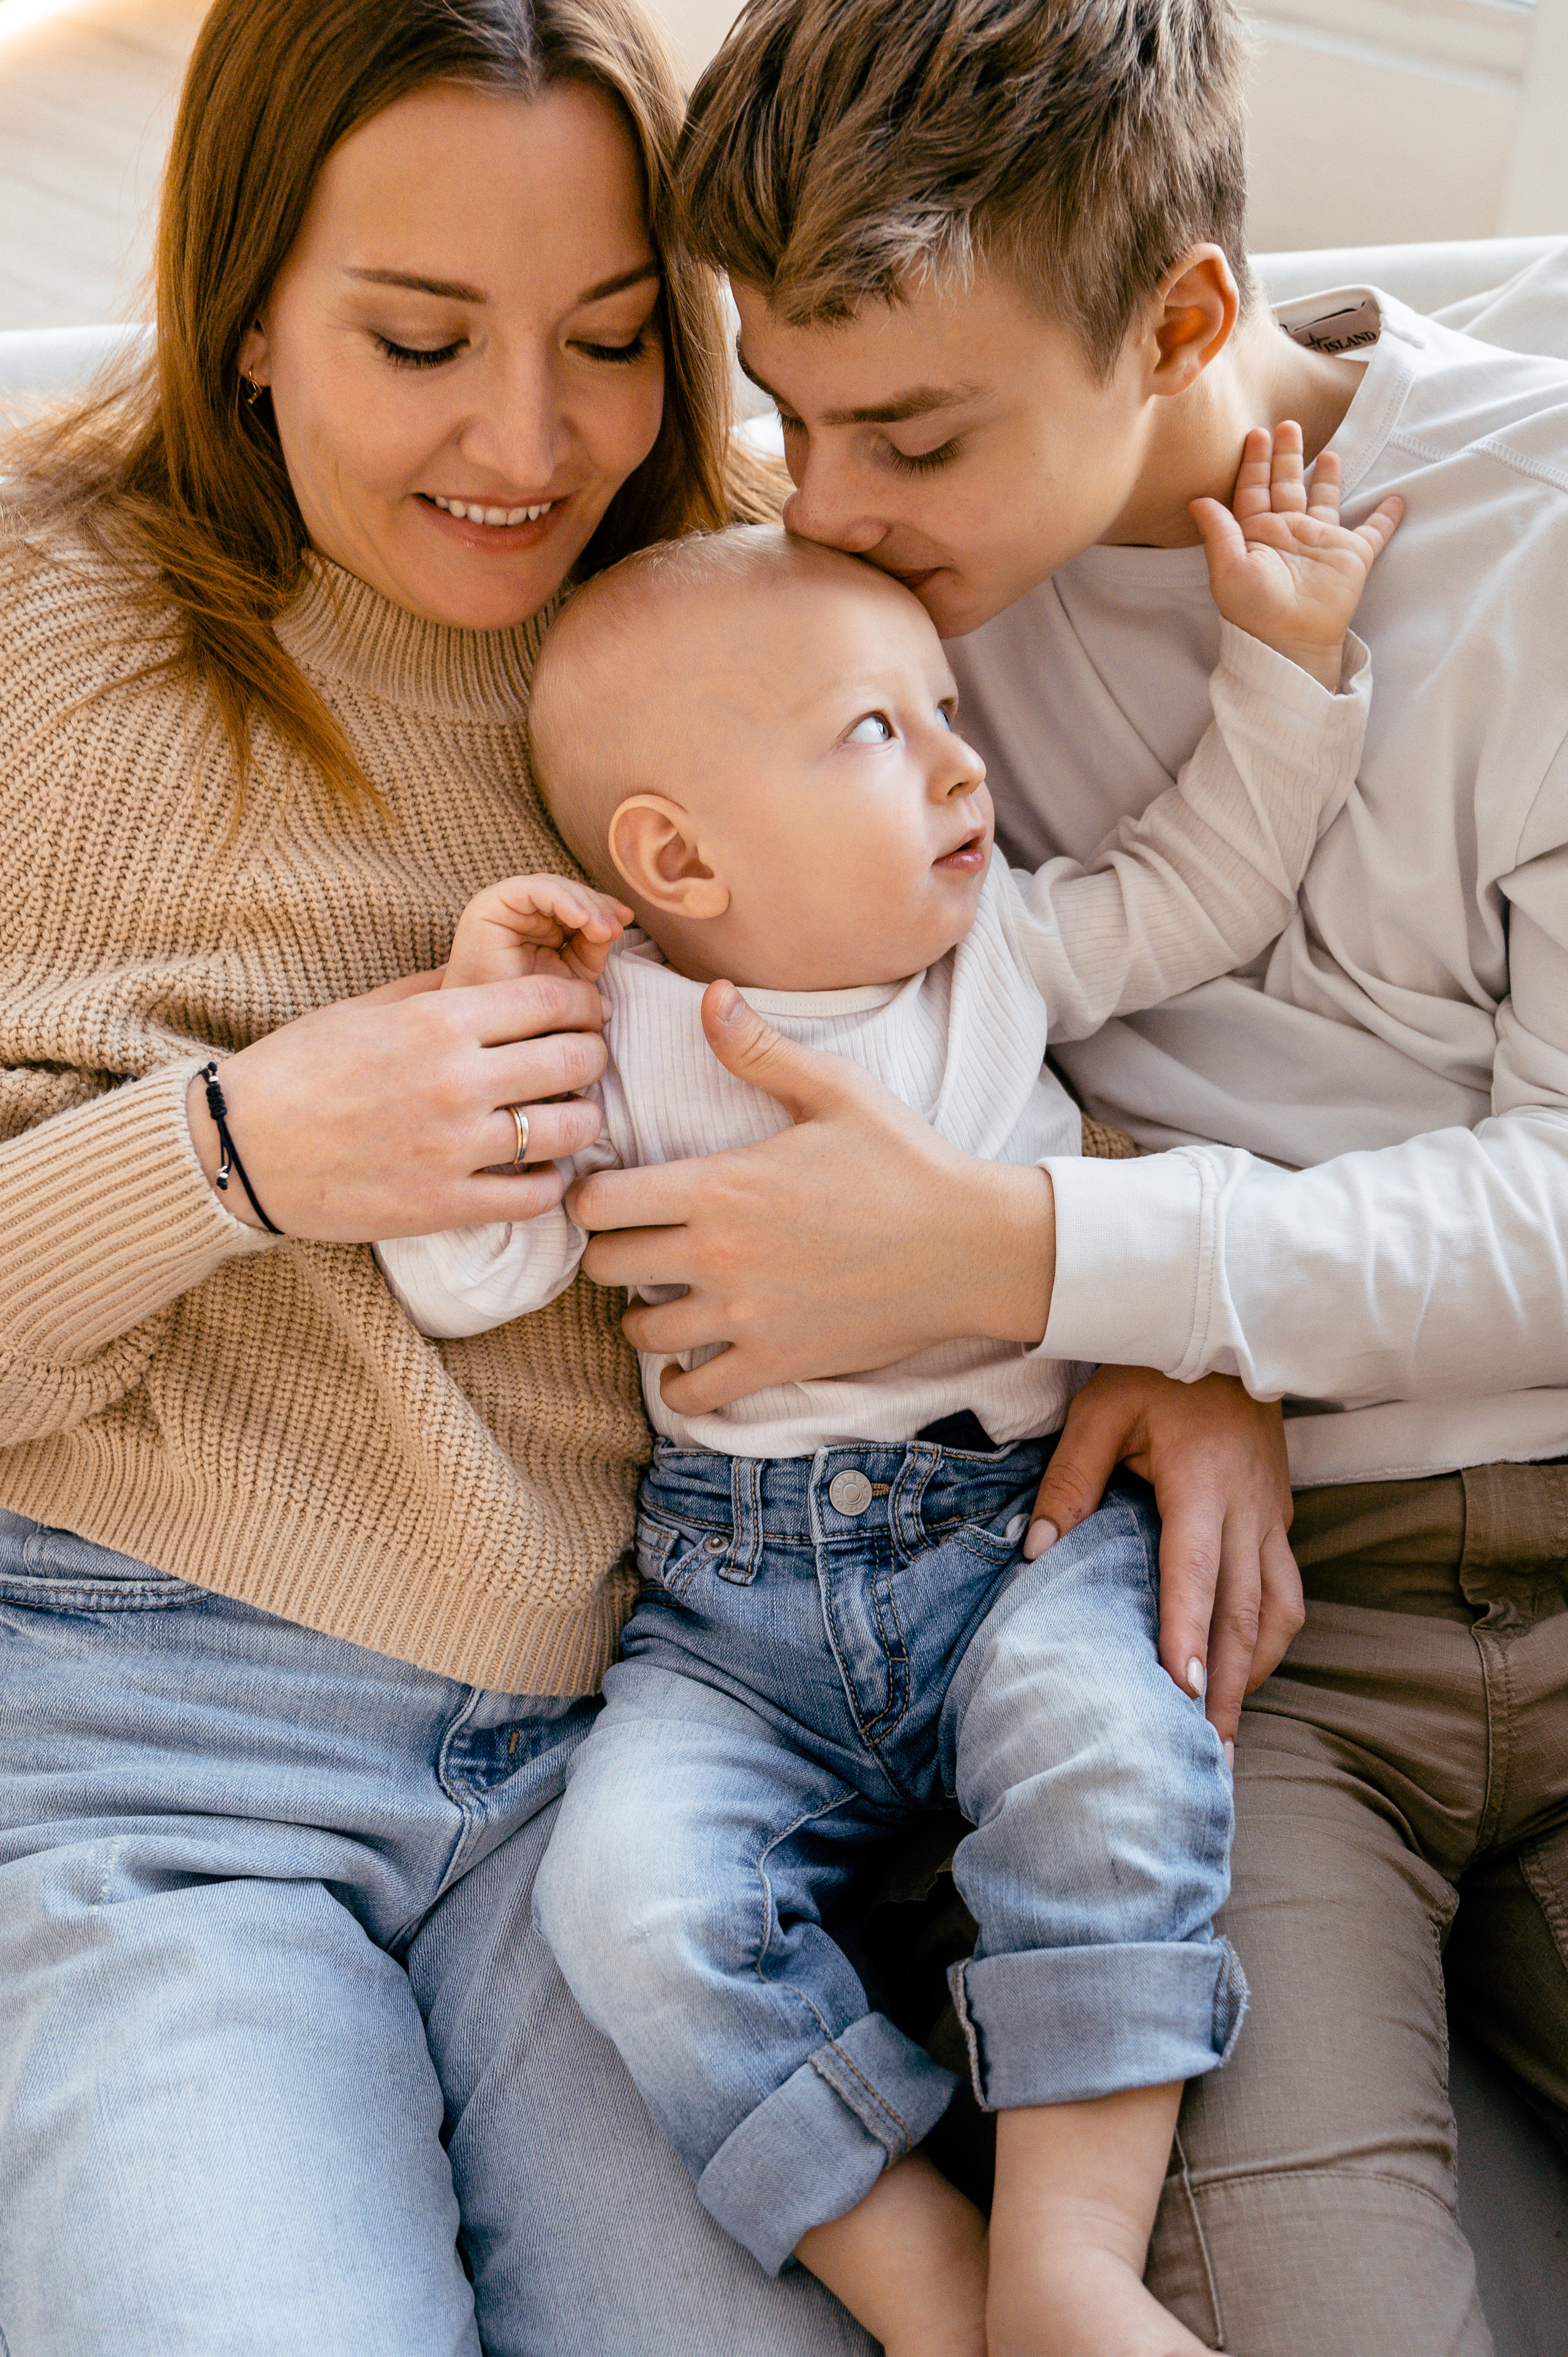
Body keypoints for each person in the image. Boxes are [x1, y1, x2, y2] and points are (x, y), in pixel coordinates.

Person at [514, 1, 1568, 2348]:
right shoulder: (840, 651)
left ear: (1184, 315)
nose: (821, 502)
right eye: (787, 407)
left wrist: (1083, 1263)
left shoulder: (1535, 537)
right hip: (1237, 1611)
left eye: (907, 431)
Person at [0, 2, 881, 2350]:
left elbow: (993, 1045)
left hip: (612, 1790)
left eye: (611, 340)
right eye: (418, 339)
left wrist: (1186, 1353)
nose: (530, 440)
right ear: (250, 309)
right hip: (136, 1764)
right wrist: (234, 1151)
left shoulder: (748, 644)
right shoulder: (41, 622)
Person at [375, 462, 1393, 2357]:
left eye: (949, 712)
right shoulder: (618, 1033)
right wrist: (482, 1042)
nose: (959, 770)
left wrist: (1283, 657)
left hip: (1024, 1532)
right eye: (879, 732)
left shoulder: (999, 951)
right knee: (625, 1899)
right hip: (735, 1623)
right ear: (678, 863)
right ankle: (907, 2259)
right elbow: (477, 1286)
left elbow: (1206, 883)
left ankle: (1066, 2258)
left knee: (1109, 1755)